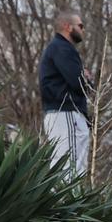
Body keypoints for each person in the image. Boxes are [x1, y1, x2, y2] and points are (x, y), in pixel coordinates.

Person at [39, 9, 92, 175]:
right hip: (66, 112)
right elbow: (79, 83)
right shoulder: (62, 48)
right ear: (68, 27)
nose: (83, 30)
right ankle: (70, 201)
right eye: (80, 25)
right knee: (70, 165)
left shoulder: (57, 48)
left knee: (63, 164)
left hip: (59, 113)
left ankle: (63, 200)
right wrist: (86, 79)